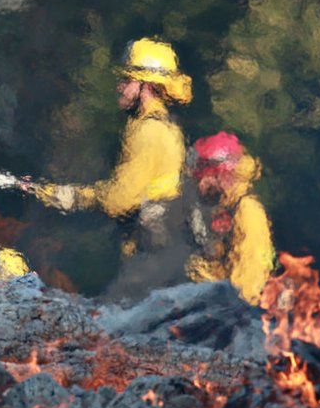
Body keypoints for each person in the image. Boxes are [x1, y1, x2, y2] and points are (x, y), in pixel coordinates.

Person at [21, 38, 193, 258]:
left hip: (151, 253)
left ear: (147, 85)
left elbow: (120, 199)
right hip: (158, 249)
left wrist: (72, 196)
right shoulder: (162, 126)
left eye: (126, 80)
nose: (119, 87)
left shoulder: (149, 131)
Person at [183, 131, 275, 305]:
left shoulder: (248, 212)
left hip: (237, 316)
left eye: (201, 177)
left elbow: (250, 283)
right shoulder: (226, 209)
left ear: (220, 174)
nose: (198, 185)